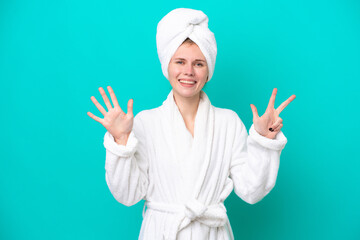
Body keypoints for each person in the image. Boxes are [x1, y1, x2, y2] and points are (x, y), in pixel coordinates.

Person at [87, 8, 296, 240]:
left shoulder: (228, 123)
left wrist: (264, 141)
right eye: (180, 61)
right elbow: (128, 195)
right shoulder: (146, 123)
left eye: (198, 64)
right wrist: (121, 142)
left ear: (208, 71)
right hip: (162, 232)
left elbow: (251, 191)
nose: (188, 71)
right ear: (167, 67)